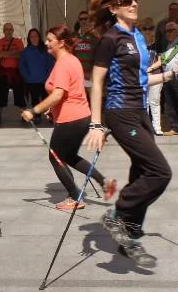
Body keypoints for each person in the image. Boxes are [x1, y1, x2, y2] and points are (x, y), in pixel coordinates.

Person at [85, 0, 178, 268]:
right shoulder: (111, 39)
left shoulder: (138, 37)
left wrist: (171, 75)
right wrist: (96, 124)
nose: (133, 4)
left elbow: (142, 80)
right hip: (120, 113)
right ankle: (117, 214)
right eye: (126, 1)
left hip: (140, 111)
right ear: (112, 8)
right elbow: (97, 82)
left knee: (142, 172)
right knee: (160, 172)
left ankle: (129, 237)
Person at [21, 25, 117, 210]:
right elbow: (68, 93)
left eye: (50, 40)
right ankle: (104, 182)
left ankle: (75, 197)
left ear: (61, 43)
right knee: (69, 156)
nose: (46, 43)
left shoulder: (64, 63)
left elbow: (58, 94)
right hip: (80, 116)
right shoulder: (71, 60)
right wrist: (52, 109)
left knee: (55, 157)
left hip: (70, 119)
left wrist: (34, 110)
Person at [0, 22, 25, 123]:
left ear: (13, 31)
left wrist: (6, 54)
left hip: (16, 72)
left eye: (10, 29)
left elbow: (21, 55)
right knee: (1, 94)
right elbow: (1, 54)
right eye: (6, 29)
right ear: (3, 31)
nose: (8, 31)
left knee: (20, 94)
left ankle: (24, 114)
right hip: (3, 71)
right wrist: (14, 53)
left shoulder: (18, 41)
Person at [19, 28, 53, 119]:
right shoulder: (25, 51)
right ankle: (37, 116)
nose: (34, 38)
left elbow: (50, 64)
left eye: (35, 36)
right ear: (29, 38)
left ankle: (50, 115)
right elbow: (22, 66)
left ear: (39, 37)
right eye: (31, 36)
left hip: (45, 80)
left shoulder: (45, 49)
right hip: (32, 81)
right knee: (35, 100)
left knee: (47, 99)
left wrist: (48, 77)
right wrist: (27, 77)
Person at [140, 18, 164, 135]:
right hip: (142, 76)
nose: (148, 31)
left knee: (155, 102)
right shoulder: (138, 44)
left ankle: (157, 128)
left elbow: (161, 61)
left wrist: (150, 69)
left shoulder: (158, 44)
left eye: (150, 28)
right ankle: (145, 127)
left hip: (156, 75)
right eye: (145, 29)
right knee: (144, 103)